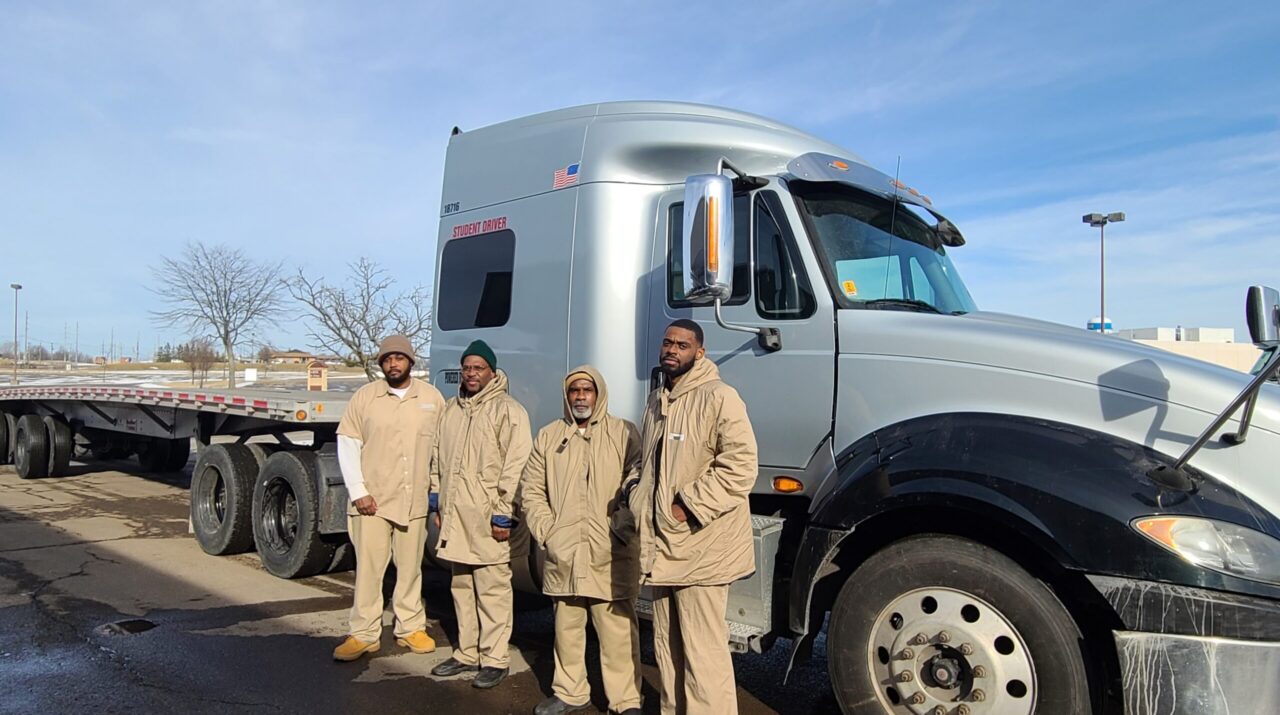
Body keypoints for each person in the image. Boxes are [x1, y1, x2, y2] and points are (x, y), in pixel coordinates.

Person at [625, 319, 758, 714]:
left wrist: (687, 506)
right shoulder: (656, 401)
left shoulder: (720, 397)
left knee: (703, 652)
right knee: (668, 645)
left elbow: (741, 466)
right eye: (667, 343)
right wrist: (636, 494)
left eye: (682, 345)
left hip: (702, 547)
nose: (672, 350)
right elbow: (647, 463)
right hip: (662, 547)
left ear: (699, 352)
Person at [520, 366, 643, 715]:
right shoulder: (550, 435)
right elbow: (531, 490)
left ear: (598, 393)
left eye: (587, 390)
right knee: (567, 628)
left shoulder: (624, 432)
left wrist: (620, 527)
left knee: (617, 629)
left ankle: (626, 700)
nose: (580, 396)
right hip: (566, 551)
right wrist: (548, 531)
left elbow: (638, 483)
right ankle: (570, 692)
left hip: (610, 550)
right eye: (574, 390)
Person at [332, 335, 444, 662]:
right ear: (381, 364)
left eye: (399, 358)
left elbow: (440, 450)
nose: (393, 364)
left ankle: (410, 628)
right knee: (369, 570)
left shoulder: (432, 399)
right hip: (373, 502)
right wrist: (359, 491)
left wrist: (436, 492)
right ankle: (363, 634)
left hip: (415, 500)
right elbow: (348, 444)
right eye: (387, 359)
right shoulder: (365, 398)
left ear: (411, 361)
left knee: (410, 570)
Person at [428, 340, 532, 689]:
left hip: (488, 518)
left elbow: (516, 467)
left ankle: (495, 658)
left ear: (492, 371)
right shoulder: (451, 409)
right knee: (461, 585)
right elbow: (437, 456)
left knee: (492, 590)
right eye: (467, 367)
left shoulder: (509, 411)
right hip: (456, 516)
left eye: (479, 368)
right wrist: (436, 501)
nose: (472, 374)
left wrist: (504, 514)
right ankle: (466, 653)